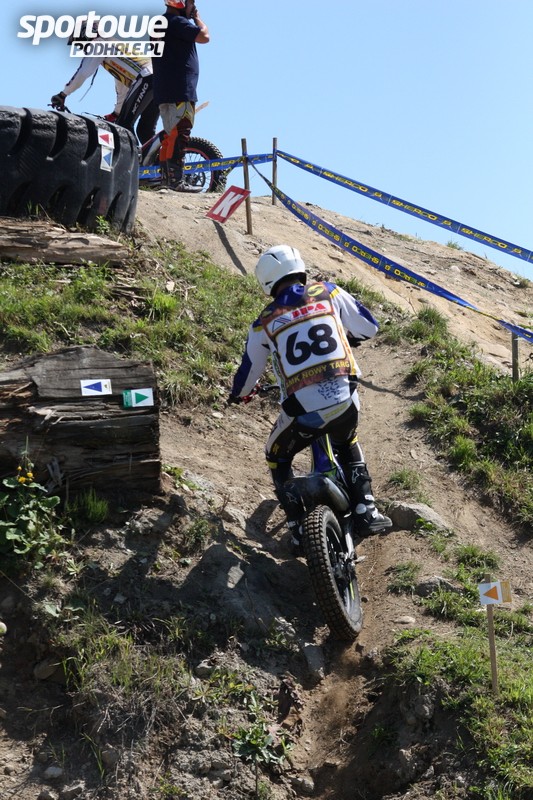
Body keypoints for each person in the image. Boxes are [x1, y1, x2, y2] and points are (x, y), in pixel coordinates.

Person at [229, 245, 392, 551]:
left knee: (277, 456)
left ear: (266, 282)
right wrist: (348, 336)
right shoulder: (328, 291)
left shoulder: (262, 322)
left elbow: (249, 371)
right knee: (347, 440)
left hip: (304, 412)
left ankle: (297, 526)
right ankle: (366, 509)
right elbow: (369, 327)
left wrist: (238, 395)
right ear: (300, 268)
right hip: (345, 400)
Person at [50, 25, 159, 145]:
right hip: (158, 80)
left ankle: (135, 156)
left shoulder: (98, 43)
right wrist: (116, 113)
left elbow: (83, 73)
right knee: (145, 130)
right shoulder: (114, 49)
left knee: (124, 126)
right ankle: (160, 156)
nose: (81, 48)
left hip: (146, 78)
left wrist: (63, 94)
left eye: (79, 43)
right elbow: (122, 89)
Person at [151, 0, 210, 191]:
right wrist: (198, 19)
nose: (193, 7)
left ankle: (166, 180)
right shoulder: (177, 22)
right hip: (180, 89)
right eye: (191, 3)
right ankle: (175, 181)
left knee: (170, 135)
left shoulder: (159, 23)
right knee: (180, 132)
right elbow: (204, 37)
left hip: (164, 89)